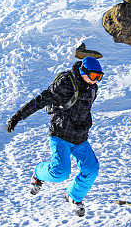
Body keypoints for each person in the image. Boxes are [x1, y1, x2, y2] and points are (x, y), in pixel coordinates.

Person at [6, 56, 104, 217]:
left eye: (99, 77)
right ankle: (38, 172)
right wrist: (17, 116)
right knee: (61, 172)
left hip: (80, 137)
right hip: (60, 134)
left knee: (91, 169)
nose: (96, 81)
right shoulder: (65, 83)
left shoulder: (93, 88)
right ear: (83, 72)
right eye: (94, 76)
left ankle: (74, 196)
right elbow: (41, 100)